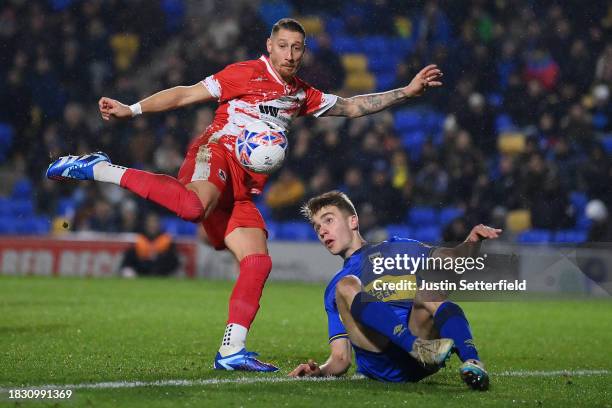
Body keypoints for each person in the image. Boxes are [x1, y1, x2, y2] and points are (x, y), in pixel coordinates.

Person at [46, 18, 443, 372]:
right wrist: (130, 110)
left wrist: (406, 93)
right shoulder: (244, 73)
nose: (289, 54)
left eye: (297, 47)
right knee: (190, 206)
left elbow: (353, 106)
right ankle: (100, 167)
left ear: (304, 52)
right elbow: (186, 94)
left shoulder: (301, 95)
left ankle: (231, 351)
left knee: (257, 262)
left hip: (241, 190)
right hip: (214, 152)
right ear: (270, 47)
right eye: (283, 45)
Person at [290, 191, 500, 390]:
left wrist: (472, 242)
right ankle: (415, 347)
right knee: (346, 285)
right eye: (317, 228)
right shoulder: (337, 287)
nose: (322, 231)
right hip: (382, 359)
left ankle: (472, 362)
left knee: (431, 289)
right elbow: (340, 359)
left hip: (422, 354)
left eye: (328, 220)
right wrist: (319, 372)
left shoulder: (399, 248)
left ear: (353, 221)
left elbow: (452, 259)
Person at [120, 213, 180, 278]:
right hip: (140, 272)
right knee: (127, 272)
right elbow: (128, 261)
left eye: (155, 222)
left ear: (159, 225)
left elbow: (174, 261)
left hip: (162, 273)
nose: (152, 225)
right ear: (146, 224)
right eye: (150, 222)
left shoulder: (166, 240)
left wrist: (159, 258)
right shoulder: (139, 239)